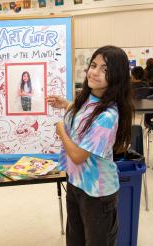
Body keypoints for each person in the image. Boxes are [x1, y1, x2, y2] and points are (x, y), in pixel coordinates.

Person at [47, 45, 133, 246]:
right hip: (77, 183)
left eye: (105, 69)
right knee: (75, 240)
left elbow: (78, 156)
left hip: (98, 194)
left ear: (117, 76)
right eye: (93, 65)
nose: (94, 72)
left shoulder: (108, 116)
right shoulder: (89, 98)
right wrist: (67, 104)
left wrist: (61, 132)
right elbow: (86, 113)